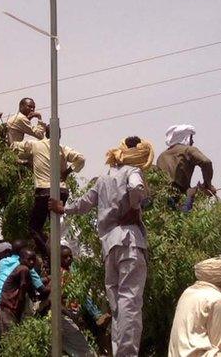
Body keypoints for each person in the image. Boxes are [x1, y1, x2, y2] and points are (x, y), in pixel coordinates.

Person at [49, 136, 150, 357]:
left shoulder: (104, 179)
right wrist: (134, 207)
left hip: (109, 247)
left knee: (117, 308)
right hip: (129, 242)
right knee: (130, 304)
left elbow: (85, 203)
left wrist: (62, 209)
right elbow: (136, 187)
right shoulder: (132, 171)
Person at [11, 126, 85, 256]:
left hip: (44, 191)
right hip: (61, 190)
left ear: (46, 133)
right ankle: (56, 252)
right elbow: (81, 158)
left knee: (34, 227)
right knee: (56, 226)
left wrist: (10, 131)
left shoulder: (35, 145)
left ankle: (48, 255)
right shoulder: (63, 149)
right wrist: (67, 172)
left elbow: (14, 146)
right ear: (59, 135)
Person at [0, 241, 46, 347]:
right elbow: (41, 289)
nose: (32, 262)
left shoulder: (2, 262)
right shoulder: (25, 268)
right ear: (21, 255)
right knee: (11, 343)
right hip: (6, 307)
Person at [158, 125, 215, 205]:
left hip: (162, 200)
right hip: (180, 197)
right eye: (191, 138)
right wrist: (208, 185)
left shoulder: (161, 156)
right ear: (185, 138)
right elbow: (206, 162)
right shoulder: (188, 150)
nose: (192, 142)